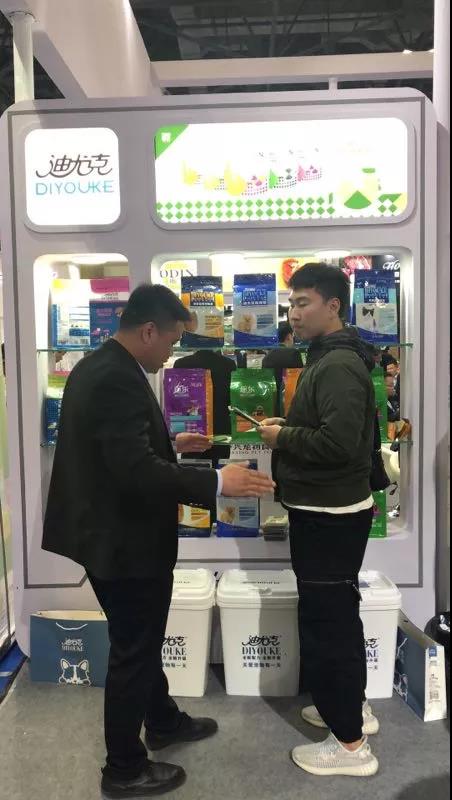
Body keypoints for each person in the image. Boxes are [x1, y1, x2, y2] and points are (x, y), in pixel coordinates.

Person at [43, 284, 274, 800]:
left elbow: (118, 450)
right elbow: (135, 472)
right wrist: (218, 481)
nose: (172, 352)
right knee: (134, 648)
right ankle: (124, 769)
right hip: (123, 542)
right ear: (149, 330)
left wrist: (170, 444)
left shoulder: (101, 366)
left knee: (141, 639)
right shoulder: (116, 377)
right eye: (171, 340)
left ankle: (163, 720)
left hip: (110, 534)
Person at [259, 264, 379, 779]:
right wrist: (290, 426)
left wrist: (282, 438)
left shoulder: (337, 365)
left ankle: (350, 746)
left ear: (333, 306)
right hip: (330, 511)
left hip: (329, 515)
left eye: (303, 302)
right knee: (339, 617)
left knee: (327, 626)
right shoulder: (332, 357)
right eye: (291, 303)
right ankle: (354, 711)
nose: (294, 313)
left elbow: (339, 444)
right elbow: (334, 429)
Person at [173, 348, 236, 466]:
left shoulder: (181, 363)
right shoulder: (228, 364)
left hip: (192, 425)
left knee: (191, 467)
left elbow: (177, 399)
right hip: (220, 428)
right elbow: (232, 399)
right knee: (219, 467)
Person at [262, 322, 303, 414]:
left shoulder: (267, 356)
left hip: (270, 401)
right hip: (289, 401)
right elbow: (299, 378)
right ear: (289, 336)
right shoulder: (293, 353)